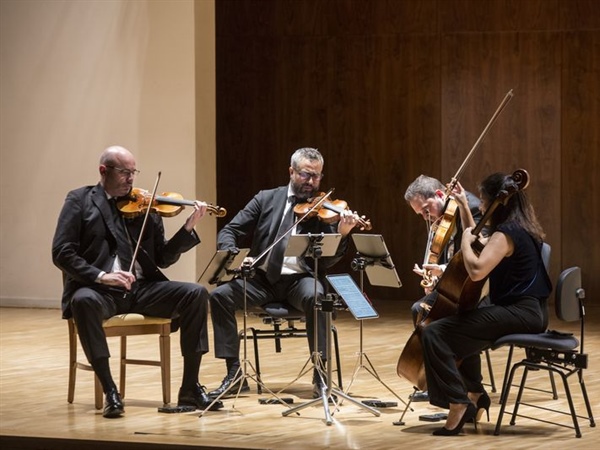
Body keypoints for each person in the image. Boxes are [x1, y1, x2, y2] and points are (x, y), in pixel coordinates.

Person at [52, 145, 222, 418]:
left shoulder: (145, 205)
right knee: (82, 301)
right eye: (124, 173)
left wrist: (188, 226)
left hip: (142, 290)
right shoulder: (79, 200)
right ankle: (111, 391)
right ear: (103, 171)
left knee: (196, 293)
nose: (131, 179)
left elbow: (163, 258)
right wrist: (102, 276)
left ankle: (190, 387)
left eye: (133, 172)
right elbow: (61, 252)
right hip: (100, 291)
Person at [208, 147, 359, 400]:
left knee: (318, 298)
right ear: (291, 171)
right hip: (262, 279)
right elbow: (230, 230)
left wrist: (342, 233)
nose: (311, 182)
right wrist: (233, 254)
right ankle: (234, 374)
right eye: (305, 175)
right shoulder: (266, 199)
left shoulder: (326, 210)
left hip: (300, 280)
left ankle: (320, 375)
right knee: (219, 297)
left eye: (317, 176)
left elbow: (328, 261)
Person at [420, 171, 552, 435]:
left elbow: (477, 269)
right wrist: (464, 211)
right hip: (526, 311)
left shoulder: (507, 233)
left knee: (434, 331)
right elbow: (481, 242)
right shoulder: (519, 228)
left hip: (519, 313)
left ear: (497, 202)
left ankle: (457, 403)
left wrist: (464, 245)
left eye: (482, 200)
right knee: (460, 324)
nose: (481, 206)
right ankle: (473, 395)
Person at [403, 175, 483, 402]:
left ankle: (467, 385)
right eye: (420, 214)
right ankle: (436, 380)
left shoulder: (472, 209)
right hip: (455, 285)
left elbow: (476, 255)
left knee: (443, 318)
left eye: (426, 210)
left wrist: (443, 271)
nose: (425, 217)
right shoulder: (442, 216)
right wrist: (433, 276)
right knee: (420, 309)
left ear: (439, 195)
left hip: (478, 290)